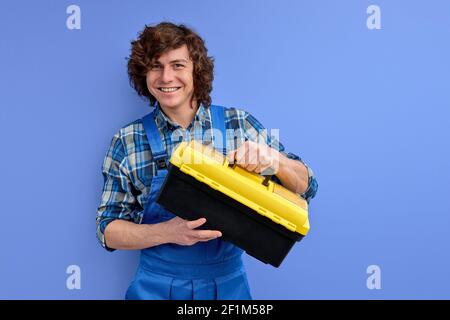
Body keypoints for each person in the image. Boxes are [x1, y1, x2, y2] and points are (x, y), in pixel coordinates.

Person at [96, 22, 318, 300]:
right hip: (155, 286)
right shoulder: (128, 140)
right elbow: (107, 229)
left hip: (226, 287)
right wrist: (166, 232)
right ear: (144, 73)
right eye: (156, 66)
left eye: (177, 65)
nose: (166, 77)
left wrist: (276, 161)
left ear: (196, 70)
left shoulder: (239, 125)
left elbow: (307, 187)